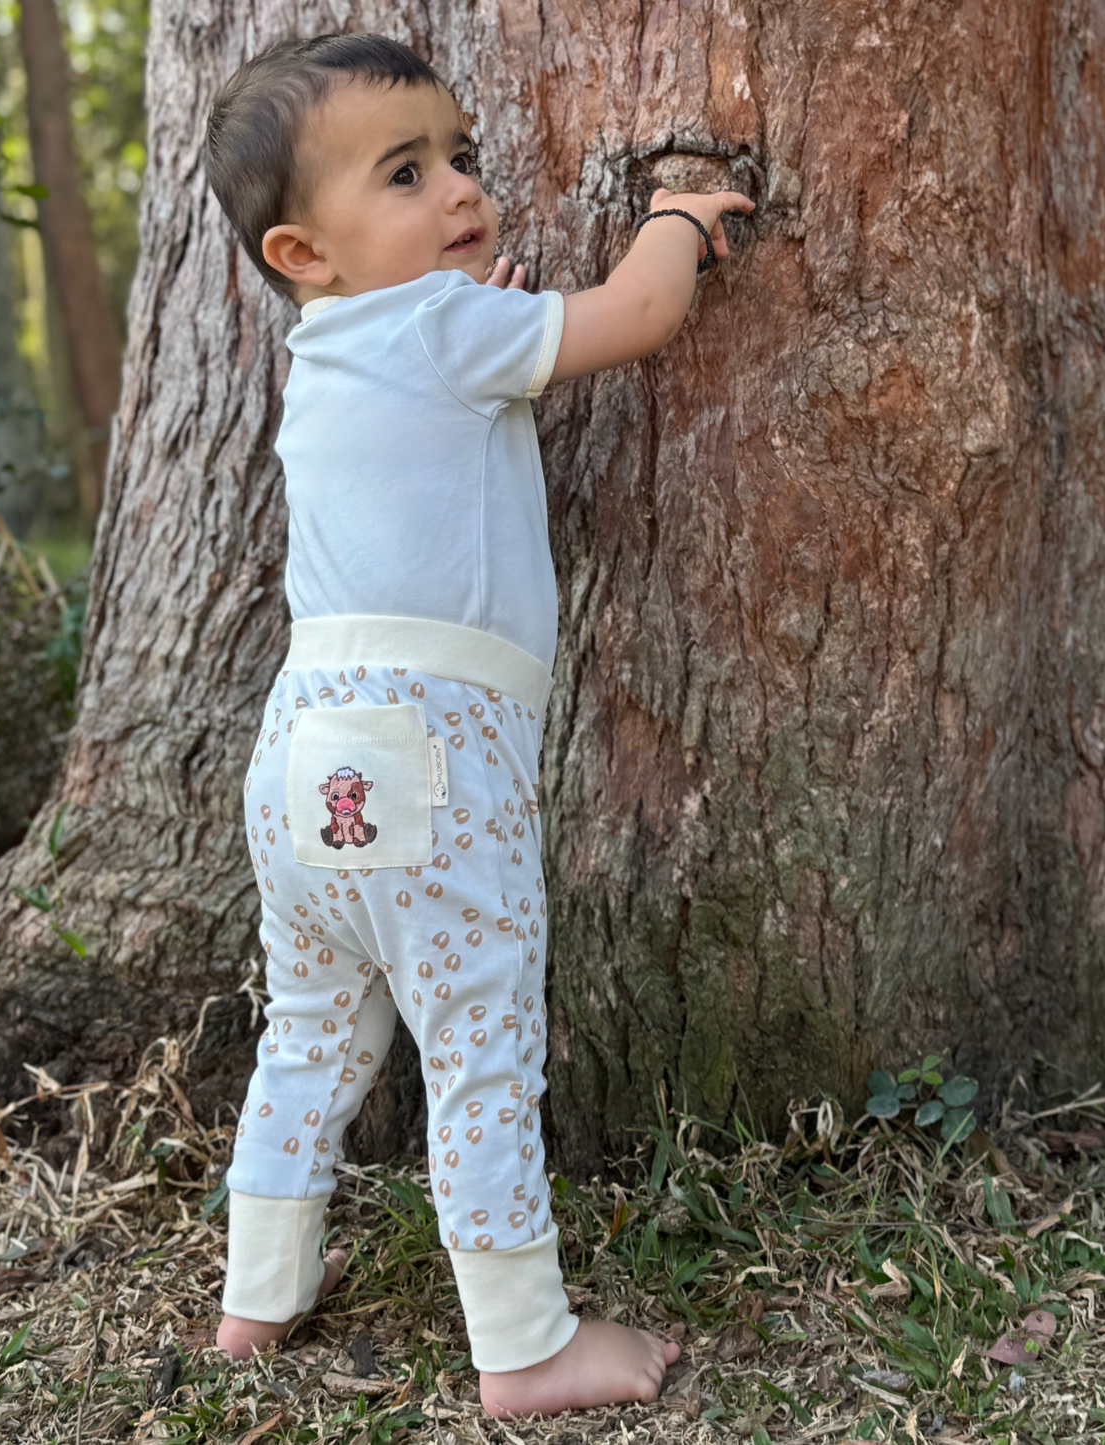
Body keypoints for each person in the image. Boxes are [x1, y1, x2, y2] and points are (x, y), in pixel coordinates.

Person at [202, 31, 754, 1419]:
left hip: (303, 757)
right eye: (405, 173)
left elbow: (452, 416)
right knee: (479, 1045)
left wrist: (463, 301)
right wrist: (677, 219)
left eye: (461, 156)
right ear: (301, 253)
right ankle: (524, 1343)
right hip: (430, 764)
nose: (458, 188)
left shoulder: (337, 352)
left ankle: (258, 1291)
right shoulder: (451, 331)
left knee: (315, 1034)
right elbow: (633, 315)